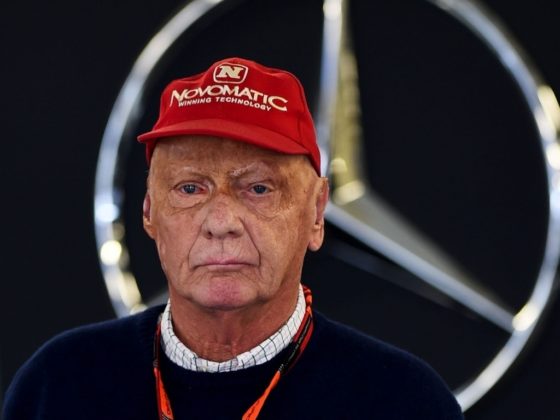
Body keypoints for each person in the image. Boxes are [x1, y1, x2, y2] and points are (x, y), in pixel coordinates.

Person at [3, 57, 463, 419]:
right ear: (149, 212)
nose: (221, 221)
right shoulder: (59, 384)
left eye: (258, 188)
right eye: (189, 189)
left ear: (316, 214)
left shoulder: (402, 400)